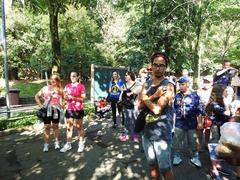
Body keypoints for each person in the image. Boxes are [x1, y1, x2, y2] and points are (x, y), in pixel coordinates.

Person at [139, 52, 175, 180]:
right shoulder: (146, 84)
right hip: (147, 132)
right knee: (152, 165)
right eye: (155, 65)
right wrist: (154, 96)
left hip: (162, 134)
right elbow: (139, 106)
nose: (158, 68)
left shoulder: (168, 86)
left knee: (165, 168)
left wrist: (145, 98)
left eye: (162, 65)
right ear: (151, 66)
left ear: (166, 67)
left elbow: (157, 109)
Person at [172, 76, 204, 167]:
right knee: (177, 140)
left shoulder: (195, 95)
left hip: (192, 123)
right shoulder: (177, 96)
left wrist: (200, 122)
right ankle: (177, 156)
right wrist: (173, 123)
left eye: (182, 84)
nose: (180, 86)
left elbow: (199, 110)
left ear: (188, 84)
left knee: (193, 140)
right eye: (179, 84)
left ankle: (195, 156)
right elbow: (175, 109)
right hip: (179, 122)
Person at [205, 84, 231, 179]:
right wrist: (227, 103)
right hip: (217, 127)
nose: (227, 92)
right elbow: (227, 113)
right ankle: (214, 170)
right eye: (225, 91)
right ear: (220, 93)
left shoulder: (220, 103)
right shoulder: (215, 104)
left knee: (220, 147)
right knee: (214, 146)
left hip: (222, 127)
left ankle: (218, 166)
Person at [35, 74, 64, 152]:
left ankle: (56, 142)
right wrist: (41, 106)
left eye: (55, 79)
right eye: (51, 79)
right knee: (47, 127)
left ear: (58, 81)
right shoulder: (45, 88)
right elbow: (36, 96)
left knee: (55, 126)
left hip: (56, 110)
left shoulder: (59, 89)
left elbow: (65, 97)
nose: (53, 80)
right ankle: (46, 144)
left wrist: (63, 105)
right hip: (47, 109)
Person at [60, 71, 86, 153]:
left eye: (74, 76)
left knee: (79, 127)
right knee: (69, 127)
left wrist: (73, 98)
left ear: (78, 77)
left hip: (78, 109)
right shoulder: (67, 86)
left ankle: (81, 143)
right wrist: (64, 102)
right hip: (69, 109)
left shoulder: (81, 86)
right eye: (71, 76)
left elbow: (83, 99)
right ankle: (68, 144)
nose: (72, 77)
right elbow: (65, 97)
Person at [119, 71, 142, 142]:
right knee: (126, 120)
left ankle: (135, 135)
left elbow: (140, 89)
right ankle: (126, 134)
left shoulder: (137, 83)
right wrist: (120, 99)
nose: (125, 76)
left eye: (126, 75)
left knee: (134, 120)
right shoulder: (124, 84)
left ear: (130, 76)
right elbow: (122, 92)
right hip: (125, 105)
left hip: (134, 105)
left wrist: (131, 92)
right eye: (125, 75)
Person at [197, 75, 213, 149]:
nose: (206, 83)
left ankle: (206, 143)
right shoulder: (199, 91)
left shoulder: (213, 90)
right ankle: (199, 143)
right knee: (200, 128)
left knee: (208, 128)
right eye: (205, 82)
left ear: (211, 83)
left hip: (209, 112)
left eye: (208, 82)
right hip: (200, 112)